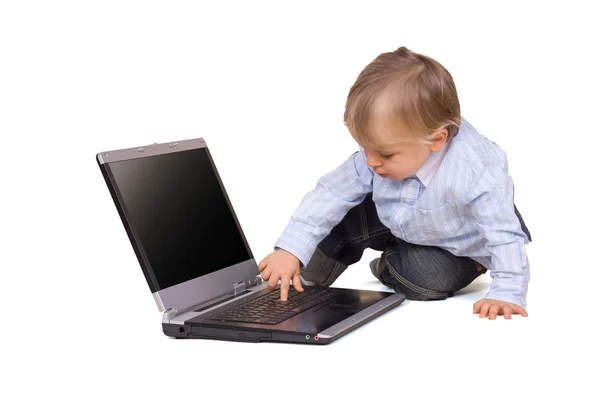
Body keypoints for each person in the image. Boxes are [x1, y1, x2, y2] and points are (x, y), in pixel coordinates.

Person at [258, 46, 532, 320]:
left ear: (436, 140)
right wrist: (290, 250)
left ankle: (389, 263)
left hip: (457, 246)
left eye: (386, 154)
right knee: (341, 214)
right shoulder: (378, 156)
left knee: (428, 277)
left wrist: (507, 292)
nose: (372, 161)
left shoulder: (476, 171)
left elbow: (504, 234)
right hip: (396, 216)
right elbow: (330, 192)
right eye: (365, 147)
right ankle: (297, 279)